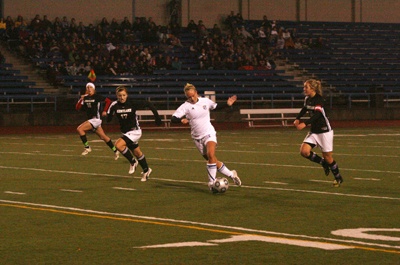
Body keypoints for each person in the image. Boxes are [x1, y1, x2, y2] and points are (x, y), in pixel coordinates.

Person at [171, 83, 242, 192]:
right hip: (197, 138)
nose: (191, 98)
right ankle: (232, 174)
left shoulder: (205, 101)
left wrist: (227, 104)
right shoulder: (185, 106)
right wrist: (181, 120)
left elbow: (216, 107)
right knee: (212, 160)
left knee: (210, 154)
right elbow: (173, 118)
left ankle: (212, 182)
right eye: (189, 97)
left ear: (196, 93)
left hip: (209, 133)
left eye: (192, 95)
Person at [293, 79, 344, 187]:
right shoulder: (307, 98)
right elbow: (304, 108)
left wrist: (304, 124)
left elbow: (317, 114)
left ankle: (338, 177)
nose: (304, 89)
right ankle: (323, 163)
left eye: (306, 87)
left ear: (313, 88)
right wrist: (298, 118)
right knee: (304, 152)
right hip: (314, 131)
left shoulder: (319, 99)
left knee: (328, 157)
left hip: (324, 131)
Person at [106, 86, 162, 181]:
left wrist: (157, 117)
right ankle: (146, 170)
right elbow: (108, 118)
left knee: (118, 145)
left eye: (124, 95)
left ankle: (132, 162)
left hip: (135, 131)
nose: (122, 97)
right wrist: (108, 115)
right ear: (117, 96)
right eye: (120, 95)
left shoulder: (132, 103)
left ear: (127, 95)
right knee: (137, 153)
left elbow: (148, 104)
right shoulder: (114, 105)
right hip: (126, 132)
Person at [75, 82, 119, 160]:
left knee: (80, 129)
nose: (89, 89)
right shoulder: (85, 98)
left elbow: (108, 101)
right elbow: (77, 108)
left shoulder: (97, 96)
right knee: (103, 137)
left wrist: (105, 110)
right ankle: (115, 151)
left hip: (96, 120)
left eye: (90, 87)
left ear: (94, 89)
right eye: (87, 88)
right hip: (91, 120)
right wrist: (81, 99)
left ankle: (87, 147)